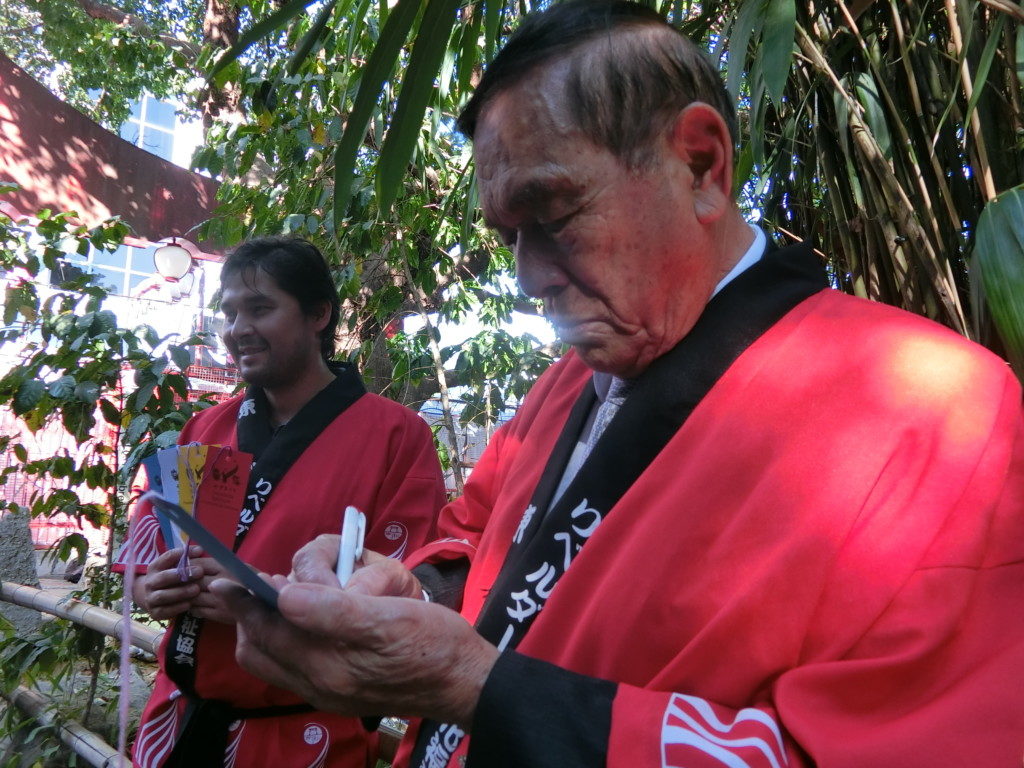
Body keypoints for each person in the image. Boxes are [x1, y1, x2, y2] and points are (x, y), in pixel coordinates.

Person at [211, 4, 1024, 767]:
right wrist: (409, 586)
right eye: (509, 237)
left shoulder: (938, 409)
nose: (528, 278)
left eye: (554, 214)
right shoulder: (567, 385)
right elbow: (478, 528)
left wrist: (475, 686)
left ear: (701, 166)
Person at [119, 236, 446, 768]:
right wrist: (150, 586)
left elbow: (401, 594)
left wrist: (254, 606)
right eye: (229, 312)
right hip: (178, 717)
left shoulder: (397, 437)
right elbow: (148, 544)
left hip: (301, 734)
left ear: (318, 314)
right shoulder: (207, 425)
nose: (238, 329)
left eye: (260, 308)